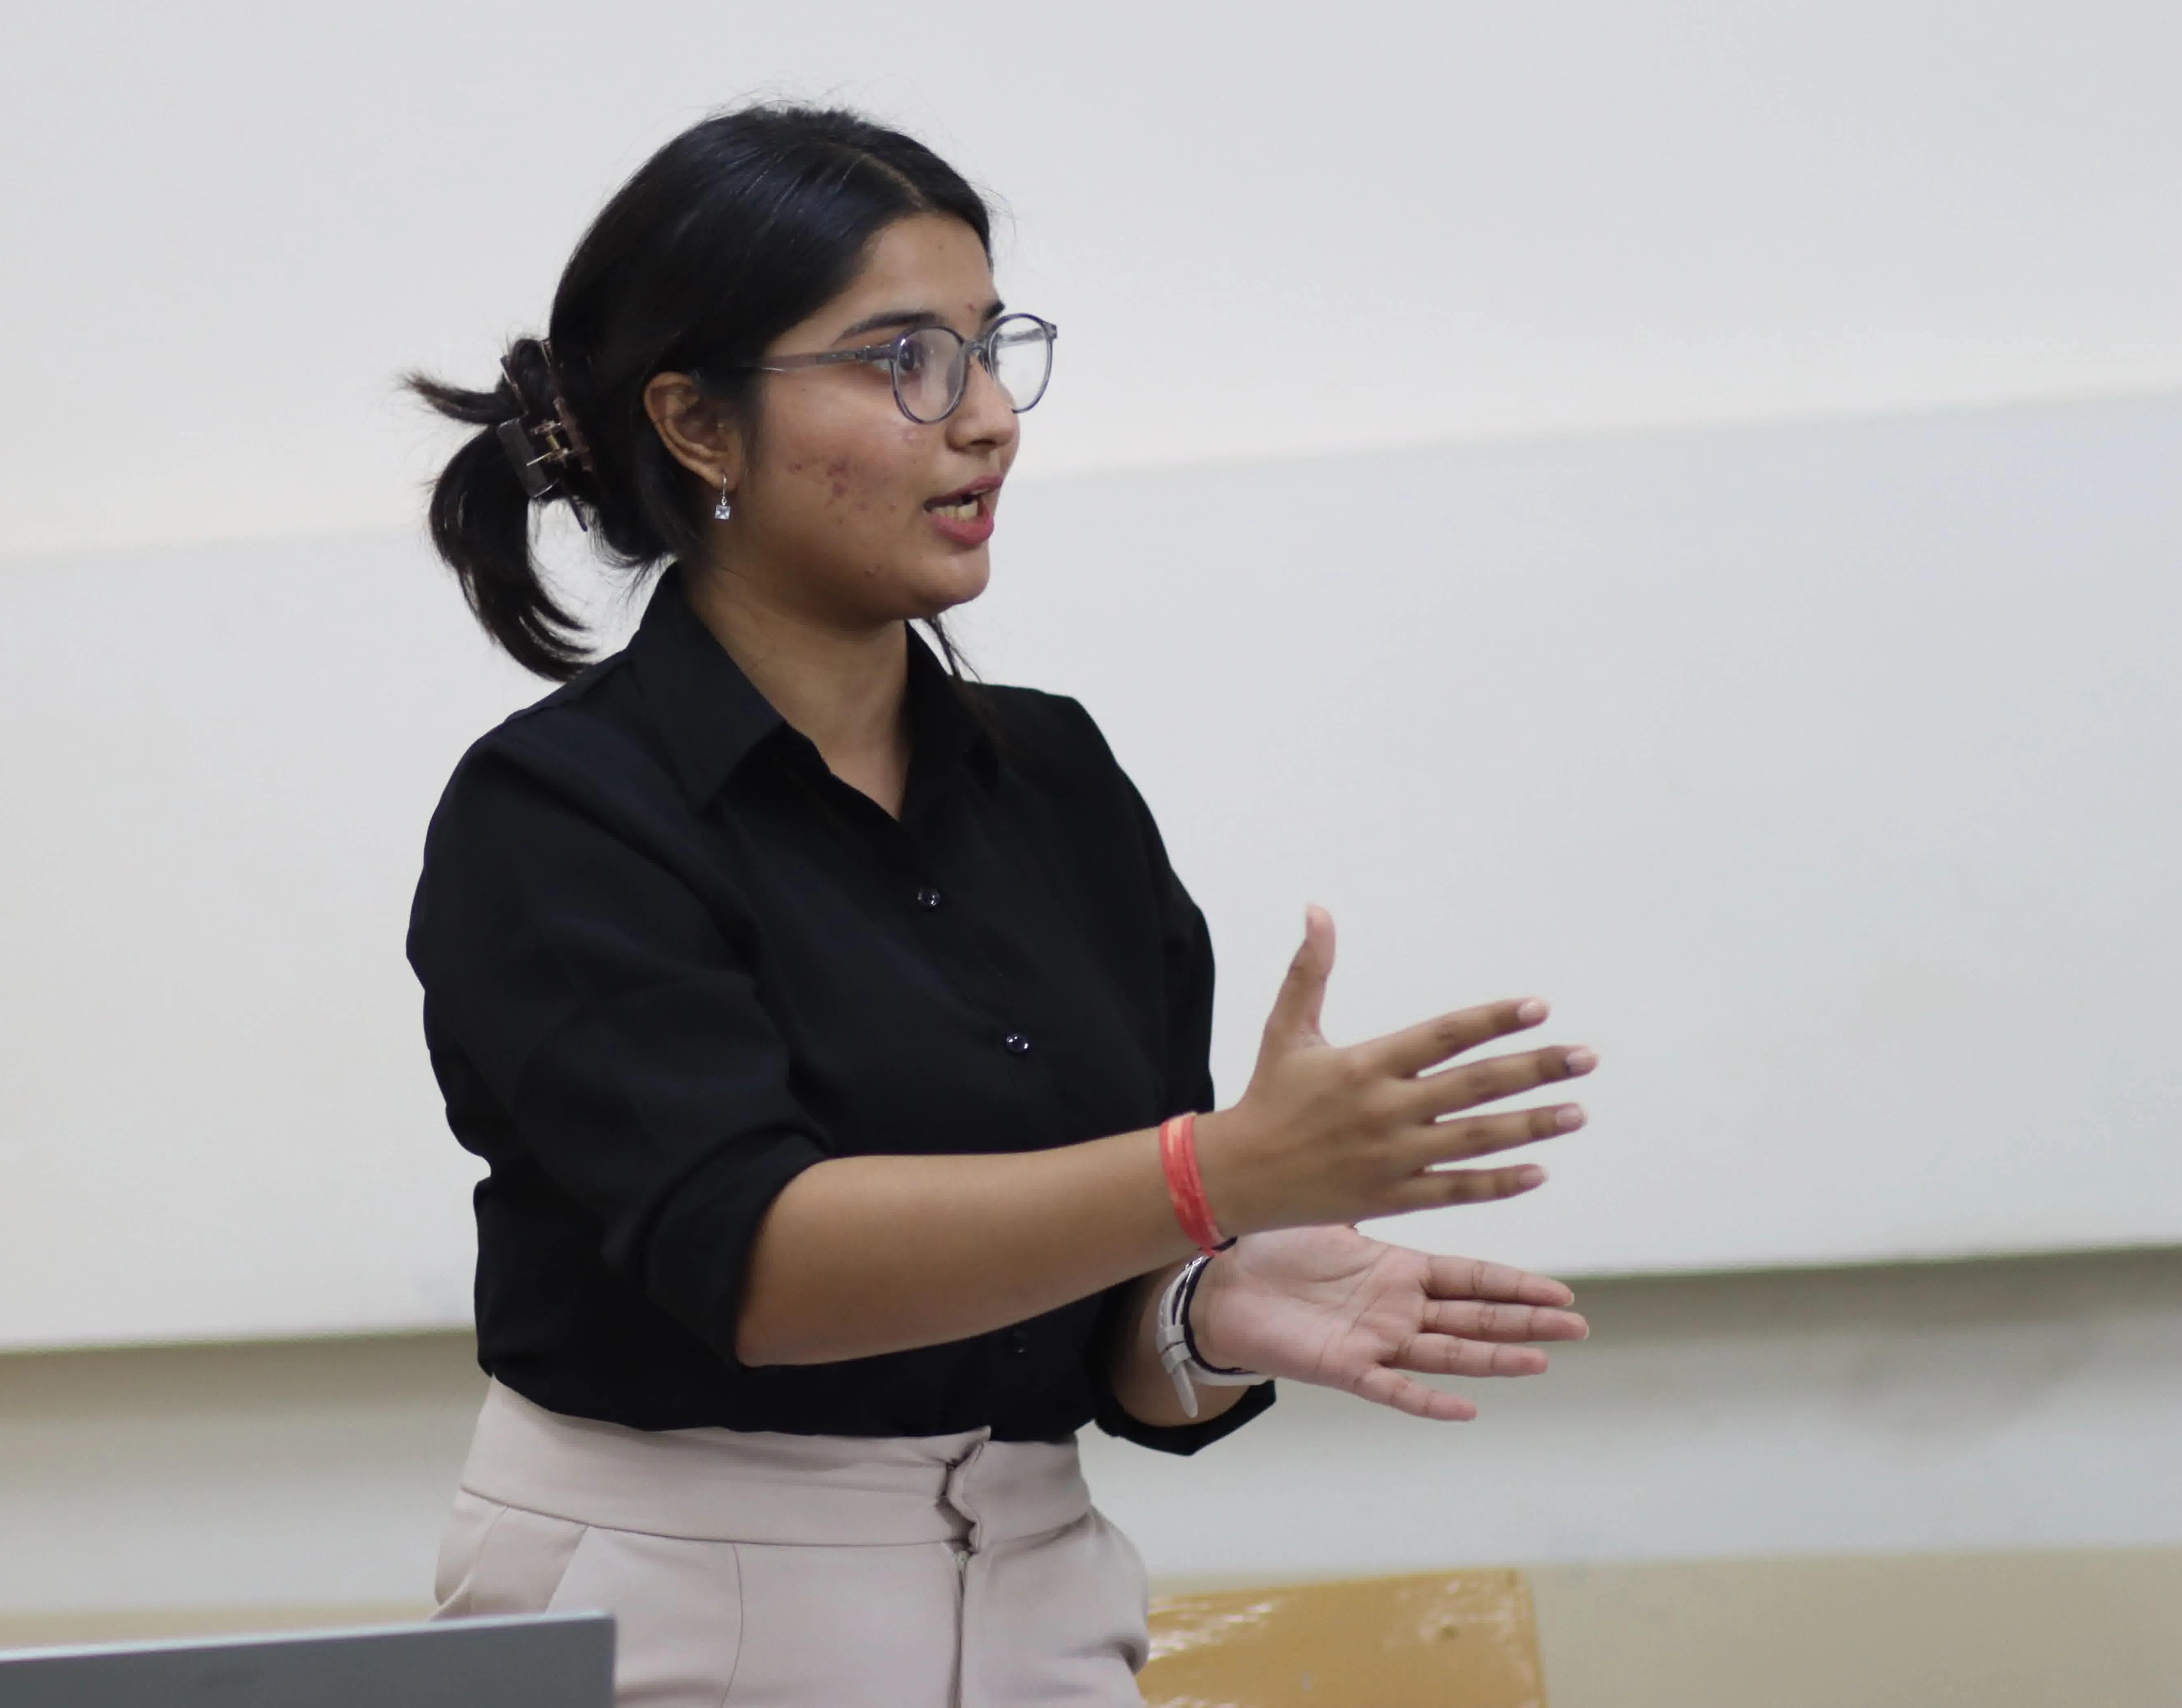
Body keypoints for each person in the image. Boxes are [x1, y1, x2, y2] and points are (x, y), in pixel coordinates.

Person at [403, 103, 1594, 1708]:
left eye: (990, 347)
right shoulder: (561, 812)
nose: (983, 422)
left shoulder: (1057, 775)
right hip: (677, 1597)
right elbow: (760, 1262)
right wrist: (1209, 1170)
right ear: (696, 422)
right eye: (903, 359)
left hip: (1042, 1586)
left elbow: (1100, 1302)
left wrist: (1205, 1310)